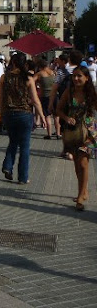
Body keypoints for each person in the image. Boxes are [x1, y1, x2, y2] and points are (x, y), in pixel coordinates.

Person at [0, 52, 47, 185]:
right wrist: (42, 116)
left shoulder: (4, 77)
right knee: (25, 146)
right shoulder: (28, 78)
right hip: (25, 114)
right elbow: (35, 100)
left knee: (13, 141)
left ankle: (7, 166)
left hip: (9, 113)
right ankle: (23, 177)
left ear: (13, 63)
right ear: (24, 63)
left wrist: (2, 113)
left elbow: (0, 98)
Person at [56, 66, 97, 210]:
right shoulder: (69, 92)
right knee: (77, 164)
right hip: (72, 132)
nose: (76, 79)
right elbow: (58, 109)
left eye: (79, 76)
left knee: (84, 162)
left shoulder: (92, 93)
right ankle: (83, 190)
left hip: (89, 133)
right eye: (74, 76)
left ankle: (80, 197)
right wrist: (66, 118)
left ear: (86, 78)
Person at [33, 57, 55, 139]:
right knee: (56, 116)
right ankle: (58, 133)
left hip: (45, 96)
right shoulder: (53, 72)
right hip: (54, 95)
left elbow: (31, 81)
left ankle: (49, 134)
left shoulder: (40, 74)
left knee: (47, 115)